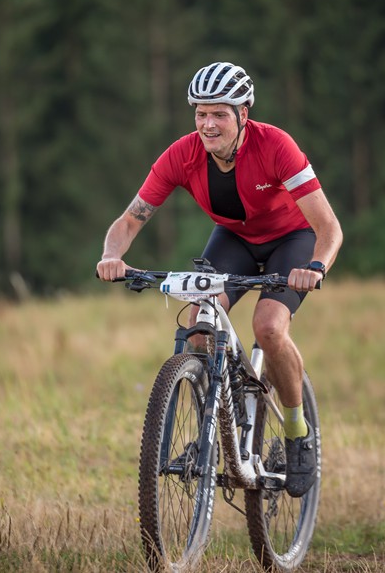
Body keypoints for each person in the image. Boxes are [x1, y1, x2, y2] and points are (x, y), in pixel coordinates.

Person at [96, 61, 343, 498]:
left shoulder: (276, 146)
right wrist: (111, 255)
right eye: (201, 114)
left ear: (243, 114)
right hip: (235, 238)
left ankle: (296, 431)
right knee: (198, 328)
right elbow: (130, 219)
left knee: (269, 327)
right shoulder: (182, 155)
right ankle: (218, 421)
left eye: (219, 114)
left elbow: (329, 227)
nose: (208, 124)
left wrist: (316, 267)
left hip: (292, 240)